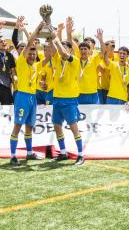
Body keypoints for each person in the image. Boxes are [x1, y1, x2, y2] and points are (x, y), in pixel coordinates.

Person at [9, 22, 47, 166]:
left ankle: (29, 152)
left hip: (32, 97)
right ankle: (13, 156)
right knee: (18, 126)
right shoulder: (21, 62)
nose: (31, 55)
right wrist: (37, 29)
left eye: (34, 53)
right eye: (29, 53)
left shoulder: (35, 66)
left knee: (29, 126)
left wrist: (42, 84)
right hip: (22, 97)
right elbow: (30, 42)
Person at [49, 27, 84, 165]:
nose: (61, 49)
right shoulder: (58, 59)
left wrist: (56, 38)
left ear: (70, 50)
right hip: (57, 98)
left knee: (74, 128)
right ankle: (63, 152)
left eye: (64, 47)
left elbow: (63, 53)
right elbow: (55, 50)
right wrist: (51, 34)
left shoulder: (74, 60)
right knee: (57, 125)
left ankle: (81, 155)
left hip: (69, 100)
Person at [77, 29, 106, 105]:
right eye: (81, 49)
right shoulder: (76, 60)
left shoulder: (94, 59)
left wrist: (100, 39)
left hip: (93, 94)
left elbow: (103, 51)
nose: (83, 51)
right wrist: (68, 32)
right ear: (79, 51)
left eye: (85, 49)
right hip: (78, 93)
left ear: (89, 50)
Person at [98, 39, 117, 104]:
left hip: (115, 89)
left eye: (113, 45)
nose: (111, 47)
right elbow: (102, 70)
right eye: (107, 45)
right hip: (104, 88)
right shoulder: (101, 58)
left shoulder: (118, 57)